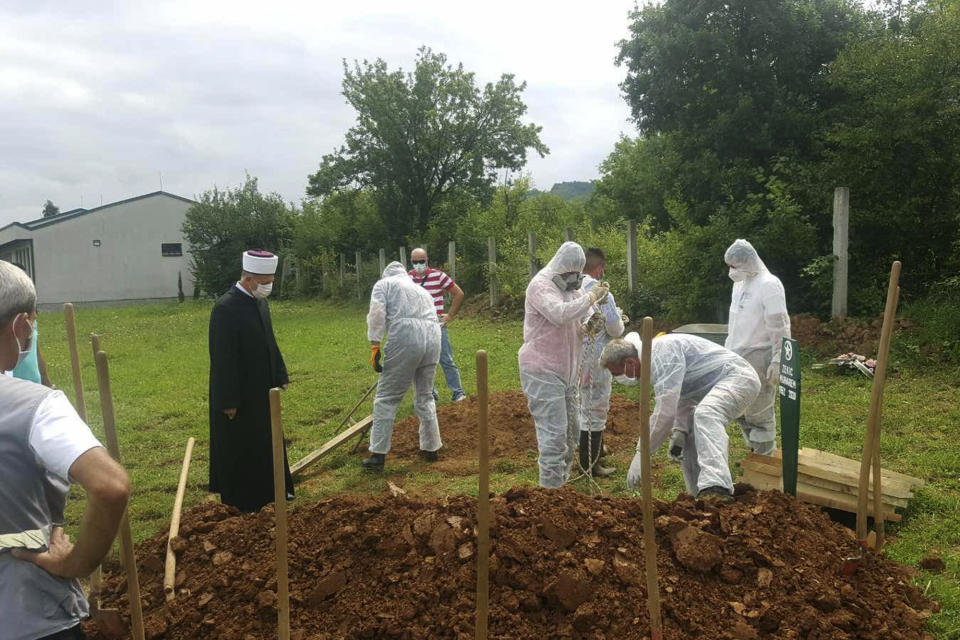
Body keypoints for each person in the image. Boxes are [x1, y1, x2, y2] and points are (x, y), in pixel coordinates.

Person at [0, 260, 130, 640]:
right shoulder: (34, 406)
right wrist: (76, 563)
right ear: (21, 325)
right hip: (28, 614)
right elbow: (110, 485)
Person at [600, 331, 760, 500]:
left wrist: (642, 453)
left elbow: (665, 411)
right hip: (717, 385)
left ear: (631, 363)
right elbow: (683, 393)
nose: (616, 378)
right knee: (692, 430)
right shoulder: (652, 358)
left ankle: (717, 486)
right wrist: (680, 431)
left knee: (706, 414)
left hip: (738, 378)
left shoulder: (661, 355)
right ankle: (699, 496)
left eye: (616, 373)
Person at [518, 241, 610, 488]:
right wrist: (591, 296)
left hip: (568, 373)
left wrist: (591, 323)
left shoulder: (572, 288)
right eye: (571, 273)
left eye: (577, 274)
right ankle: (549, 494)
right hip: (542, 370)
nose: (574, 278)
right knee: (554, 438)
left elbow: (580, 318)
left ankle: (562, 490)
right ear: (561, 267)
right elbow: (559, 314)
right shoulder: (540, 286)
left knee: (571, 436)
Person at [208, 249, 293, 512]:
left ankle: (271, 492)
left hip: (263, 390)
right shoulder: (225, 308)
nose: (268, 287)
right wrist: (228, 401)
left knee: (266, 441)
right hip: (239, 395)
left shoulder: (259, 303)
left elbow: (270, 342)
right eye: (265, 282)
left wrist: (280, 373)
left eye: (270, 282)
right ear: (248, 279)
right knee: (241, 448)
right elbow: (222, 359)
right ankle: (242, 501)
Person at [364, 261, 443, 472]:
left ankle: (377, 455)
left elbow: (377, 313)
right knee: (425, 396)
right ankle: (431, 448)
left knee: (387, 397)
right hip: (434, 336)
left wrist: (375, 343)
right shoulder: (421, 290)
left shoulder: (384, 284)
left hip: (406, 336)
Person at [724, 239, 791, 456]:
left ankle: (766, 460)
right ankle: (755, 453)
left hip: (758, 356)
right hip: (737, 356)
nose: (731, 271)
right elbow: (735, 324)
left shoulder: (769, 284)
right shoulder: (740, 284)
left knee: (759, 414)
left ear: (748, 261)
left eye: (735, 265)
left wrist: (778, 357)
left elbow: (779, 324)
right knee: (742, 411)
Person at [578, 248, 625, 477]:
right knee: (595, 407)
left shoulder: (572, 288)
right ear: (598, 269)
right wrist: (620, 319)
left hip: (573, 357)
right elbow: (615, 328)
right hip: (595, 357)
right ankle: (590, 464)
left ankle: (596, 450)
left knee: (580, 403)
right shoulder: (602, 293)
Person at [408, 247, 467, 403]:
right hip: (418, 327)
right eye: (415, 262)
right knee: (422, 362)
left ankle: (458, 392)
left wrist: (450, 315)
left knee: (445, 359)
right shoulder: (407, 278)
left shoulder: (438, 276)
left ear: (427, 260)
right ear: (411, 262)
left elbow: (458, 293)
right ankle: (430, 393)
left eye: (421, 261)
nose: (418, 264)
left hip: (437, 326)